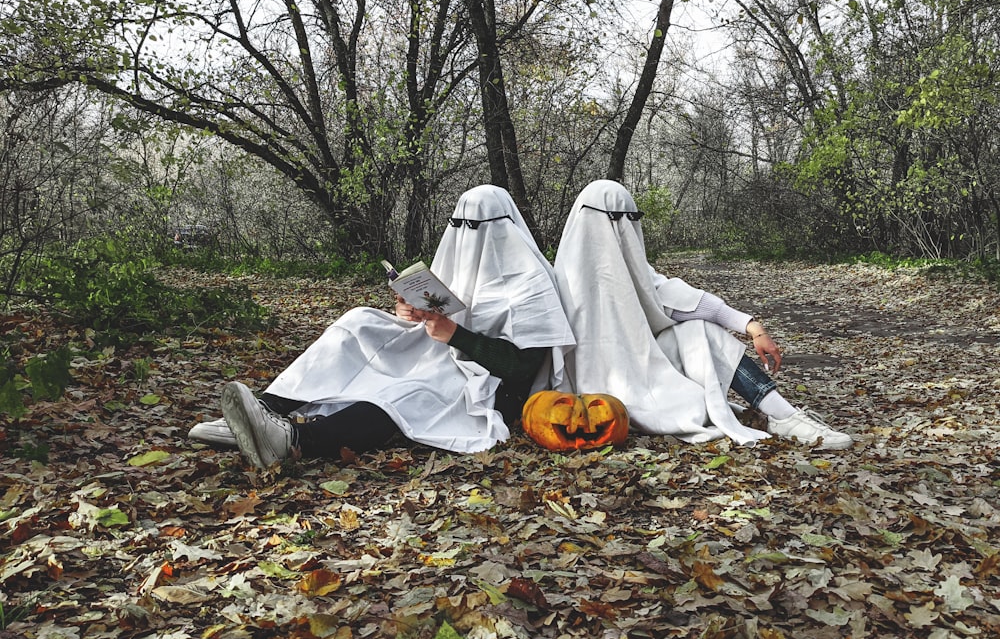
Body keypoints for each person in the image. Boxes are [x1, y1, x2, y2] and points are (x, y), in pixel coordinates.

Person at [189, 185, 575, 468]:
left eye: (478, 224)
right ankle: (260, 411)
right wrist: (414, 312)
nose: (469, 233)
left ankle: (294, 439)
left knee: (407, 392)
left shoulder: (531, 282)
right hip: (439, 349)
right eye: (461, 224)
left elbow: (525, 366)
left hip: (486, 383)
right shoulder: (460, 257)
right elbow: (444, 309)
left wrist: (457, 336)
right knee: (359, 323)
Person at [550, 179, 852, 450]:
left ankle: (782, 414)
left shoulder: (637, 273)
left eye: (632, 218)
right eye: (614, 219)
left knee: (698, 331)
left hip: (650, 369)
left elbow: (685, 302)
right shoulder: (561, 282)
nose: (623, 228)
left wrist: (752, 327)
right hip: (599, 397)